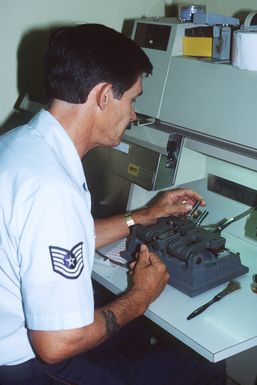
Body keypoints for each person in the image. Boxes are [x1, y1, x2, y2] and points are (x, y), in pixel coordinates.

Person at [0, 23, 226, 384]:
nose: (134, 114)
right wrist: (141, 296)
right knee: (202, 366)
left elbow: (61, 237)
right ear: (105, 96)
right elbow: (56, 344)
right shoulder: (52, 190)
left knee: (134, 336)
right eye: (133, 99)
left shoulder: (22, 144)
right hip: (30, 368)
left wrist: (142, 216)